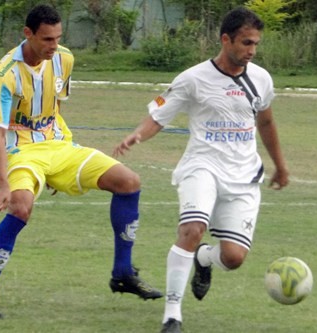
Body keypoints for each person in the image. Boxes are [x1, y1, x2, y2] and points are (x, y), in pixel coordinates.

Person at [0, 4, 162, 319]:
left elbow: (54, 108)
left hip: (59, 145)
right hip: (21, 150)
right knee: (20, 207)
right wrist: (3, 184)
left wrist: (60, 165)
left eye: (57, 38)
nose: (53, 45)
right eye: (46, 39)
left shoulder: (64, 59)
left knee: (129, 182)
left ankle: (123, 273)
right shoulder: (6, 74)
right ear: (27, 34)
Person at [113, 7, 289, 333]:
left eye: (255, 44)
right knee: (192, 230)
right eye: (246, 43)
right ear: (226, 39)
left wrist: (280, 165)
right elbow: (158, 116)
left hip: (244, 176)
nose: (251, 51)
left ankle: (204, 259)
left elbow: (265, 121)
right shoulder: (193, 78)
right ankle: (172, 316)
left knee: (234, 258)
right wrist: (137, 134)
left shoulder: (261, 79)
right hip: (202, 166)